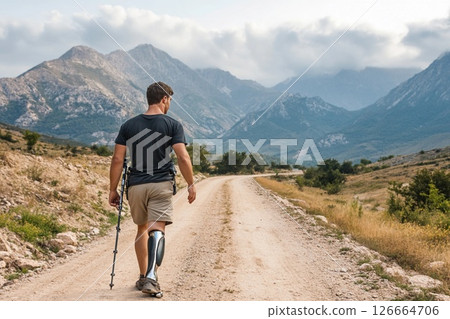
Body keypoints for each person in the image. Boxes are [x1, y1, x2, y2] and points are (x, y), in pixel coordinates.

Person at [108, 81, 196, 295]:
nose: (170, 105)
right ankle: (151, 277)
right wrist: (191, 183)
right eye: (170, 101)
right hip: (161, 184)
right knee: (157, 229)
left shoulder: (128, 126)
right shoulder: (172, 125)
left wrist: (112, 189)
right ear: (164, 99)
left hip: (135, 186)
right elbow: (183, 157)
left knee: (141, 229)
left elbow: (118, 159)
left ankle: (142, 276)